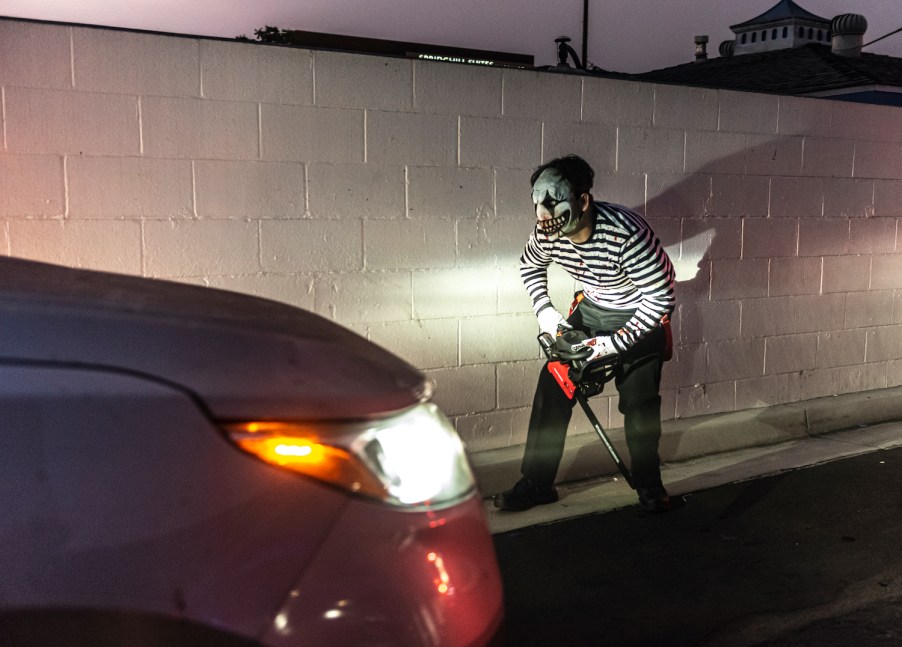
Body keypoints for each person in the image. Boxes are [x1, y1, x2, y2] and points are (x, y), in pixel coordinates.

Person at [494, 154, 676, 513]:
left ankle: (650, 486)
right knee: (553, 383)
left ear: (582, 200)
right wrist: (545, 312)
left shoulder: (626, 233)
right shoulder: (547, 233)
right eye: (537, 203)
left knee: (638, 403)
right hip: (592, 308)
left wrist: (613, 345)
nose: (543, 213)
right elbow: (530, 266)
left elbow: (662, 297)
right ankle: (537, 483)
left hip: (640, 312)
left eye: (552, 201)